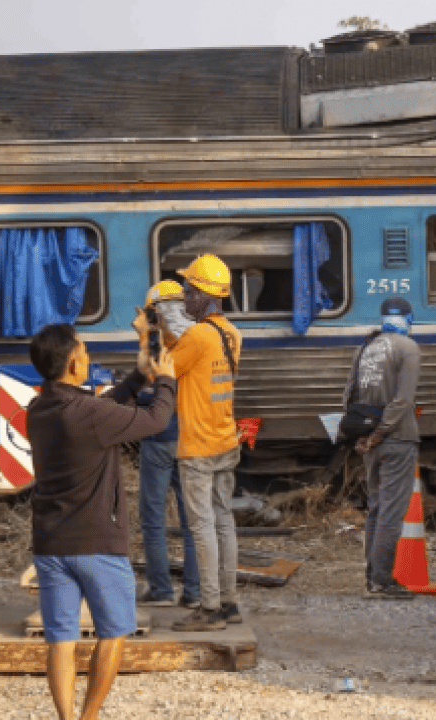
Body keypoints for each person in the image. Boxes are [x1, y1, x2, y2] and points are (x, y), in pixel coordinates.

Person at [27, 323, 175, 720]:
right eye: (85, 350)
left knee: (60, 640)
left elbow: (104, 409)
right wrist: (166, 381)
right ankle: (89, 717)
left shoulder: (38, 410)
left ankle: (65, 718)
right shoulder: (90, 414)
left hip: (51, 544)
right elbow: (155, 420)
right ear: (74, 362)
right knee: (112, 634)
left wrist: (139, 375)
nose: (89, 356)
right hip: (98, 545)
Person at [158, 254, 244, 632]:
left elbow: (165, 369)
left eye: (188, 292)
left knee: (202, 527)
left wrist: (156, 327)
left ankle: (209, 609)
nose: (184, 299)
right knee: (224, 522)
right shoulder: (230, 334)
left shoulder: (196, 336)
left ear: (205, 295)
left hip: (198, 446)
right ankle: (229, 603)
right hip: (226, 440)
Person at [344, 297, 421, 600]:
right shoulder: (408, 348)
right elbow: (403, 401)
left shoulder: (365, 348)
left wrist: (361, 436)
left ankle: (372, 576)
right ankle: (382, 581)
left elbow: (348, 395)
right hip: (397, 439)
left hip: (369, 443)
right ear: (409, 317)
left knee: (376, 509)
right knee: (391, 511)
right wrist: (379, 434)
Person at [136, 280, 201, 609]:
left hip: (159, 436)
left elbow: (146, 382)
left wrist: (143, 336)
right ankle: (194, 592)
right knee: (192, 520)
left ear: (153, 311)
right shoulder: (198, 338)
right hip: (189, 435)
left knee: (153, 517)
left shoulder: (157, 342)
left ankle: (161, 590)